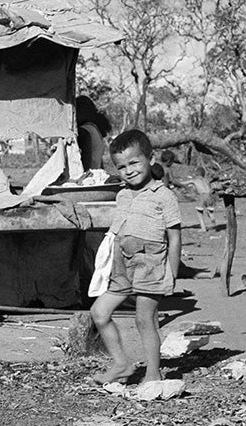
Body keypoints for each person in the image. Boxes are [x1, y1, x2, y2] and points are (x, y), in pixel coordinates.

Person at [90, 129, 181, 387]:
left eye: (134, 163)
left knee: (144, 319)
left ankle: (153, 373)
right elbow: (117, 232)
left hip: (151, 265)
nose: (128, 171)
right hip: (122, 266)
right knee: (99, 313)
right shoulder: (122, 195)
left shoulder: (163, 196)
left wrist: (172, 273)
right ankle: (121, 363)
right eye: (121, 167)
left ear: (150, 159)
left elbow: (174, 238)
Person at [76, 95, 111, 172]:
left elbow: (86, 162)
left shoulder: (84, 131)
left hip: (88, 175)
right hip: (95, 173)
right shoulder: (94, 129)